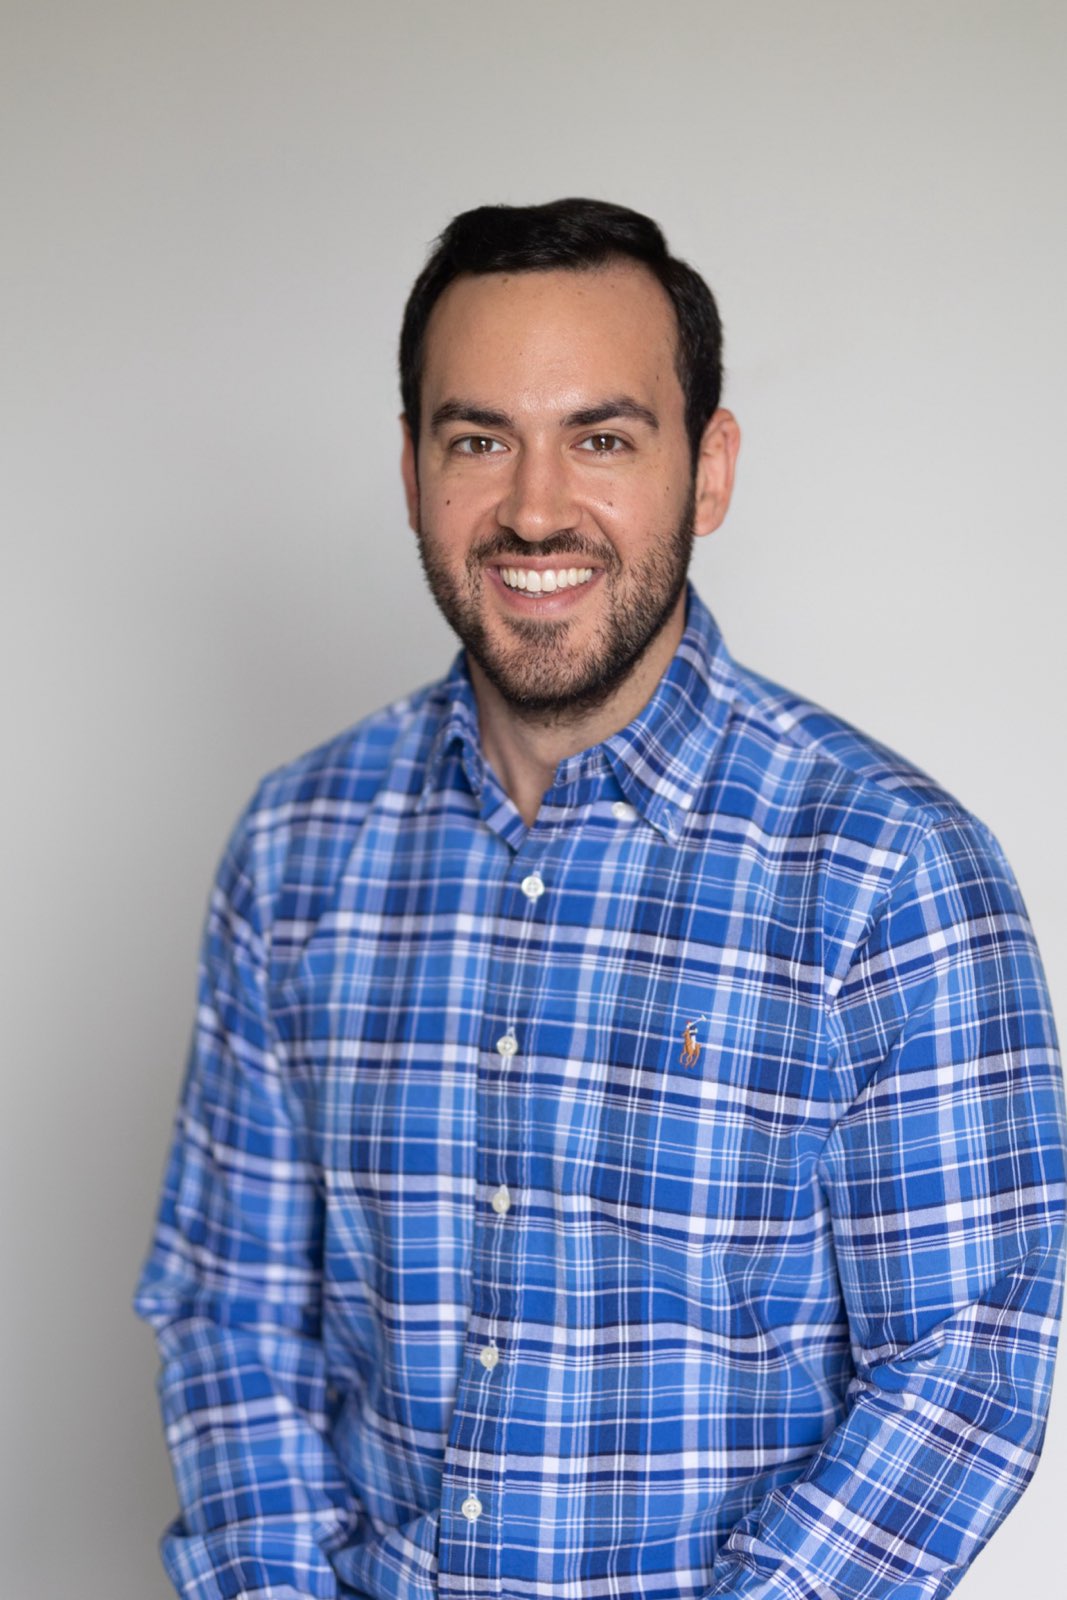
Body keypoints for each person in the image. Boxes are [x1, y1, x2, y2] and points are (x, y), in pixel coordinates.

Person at [135, 198, 1067, 1600]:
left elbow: (965, 1370)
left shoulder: (893, 873)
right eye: (477, 438)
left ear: (710, 470)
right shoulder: (297, 849)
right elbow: (234, 1310)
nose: (532, 508)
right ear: (410, 471)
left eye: (604, 436)